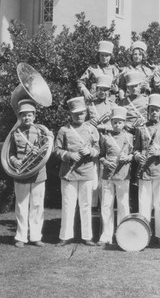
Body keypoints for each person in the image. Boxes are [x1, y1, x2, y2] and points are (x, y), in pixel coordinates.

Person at [54, 97, 100, 246]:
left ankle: (87, 236)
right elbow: (56, 150)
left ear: (86, 113)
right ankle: (65, 236)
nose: (79, 116)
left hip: (86, 171)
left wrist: (90, 151)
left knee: (86, 205)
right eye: (75, 113)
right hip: (69, 172)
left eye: (81, 113)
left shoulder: (92, 130)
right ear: (70, 114)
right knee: (68, 204)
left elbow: (98, 150)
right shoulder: (64, 130)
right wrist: (68, 155)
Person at [9, 99, 53, 248]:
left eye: (29, 115)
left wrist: (39, 152)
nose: (27, 118)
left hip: (38, 174)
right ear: (20, 117)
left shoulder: (42, 131)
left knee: (37, 205)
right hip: (21, 174)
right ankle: (21, 237)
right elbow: (10, 154)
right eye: (24, 115)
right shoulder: (15, 133)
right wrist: (16, 162)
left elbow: (48, 152)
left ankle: (35, 236)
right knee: (21, 206)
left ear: (34, 116)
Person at [133, 94, 160, 245]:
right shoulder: (141, 128)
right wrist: (138, 157)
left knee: (159, 205)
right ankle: (144, 235)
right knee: (143, 203)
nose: (154, 113)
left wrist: (159, 154)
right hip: (145, 170)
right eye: (152, 110)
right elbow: (136, 149)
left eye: (157, 110)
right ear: (148, 111)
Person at [97, 107, 134, 246]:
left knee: (123, 205)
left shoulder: (129, 137)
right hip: (107, 175)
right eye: (115, 122)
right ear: (111, 122)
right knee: (106, 205)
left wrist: (128, 157)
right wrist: (105, 161)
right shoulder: (105, 137)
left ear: (124, 123)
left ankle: (123, 234)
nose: (117, 125)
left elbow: (133, 154)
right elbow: (100, 156)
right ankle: (106, 235)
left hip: (123, 174)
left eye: (120, 122)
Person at [86, 74, 117, 211]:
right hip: (93, 144)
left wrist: (103, 127)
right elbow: (81, 125)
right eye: (100, 89)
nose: (103, 92)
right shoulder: (89, 105)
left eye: (106, 89)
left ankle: (105, 206)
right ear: (95, 89)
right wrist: (88, 122)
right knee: (93, 178)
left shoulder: (113, 106)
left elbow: (119, 127)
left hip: (108, 144)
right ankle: (92, 207)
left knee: (105, 179)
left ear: (109, 91)